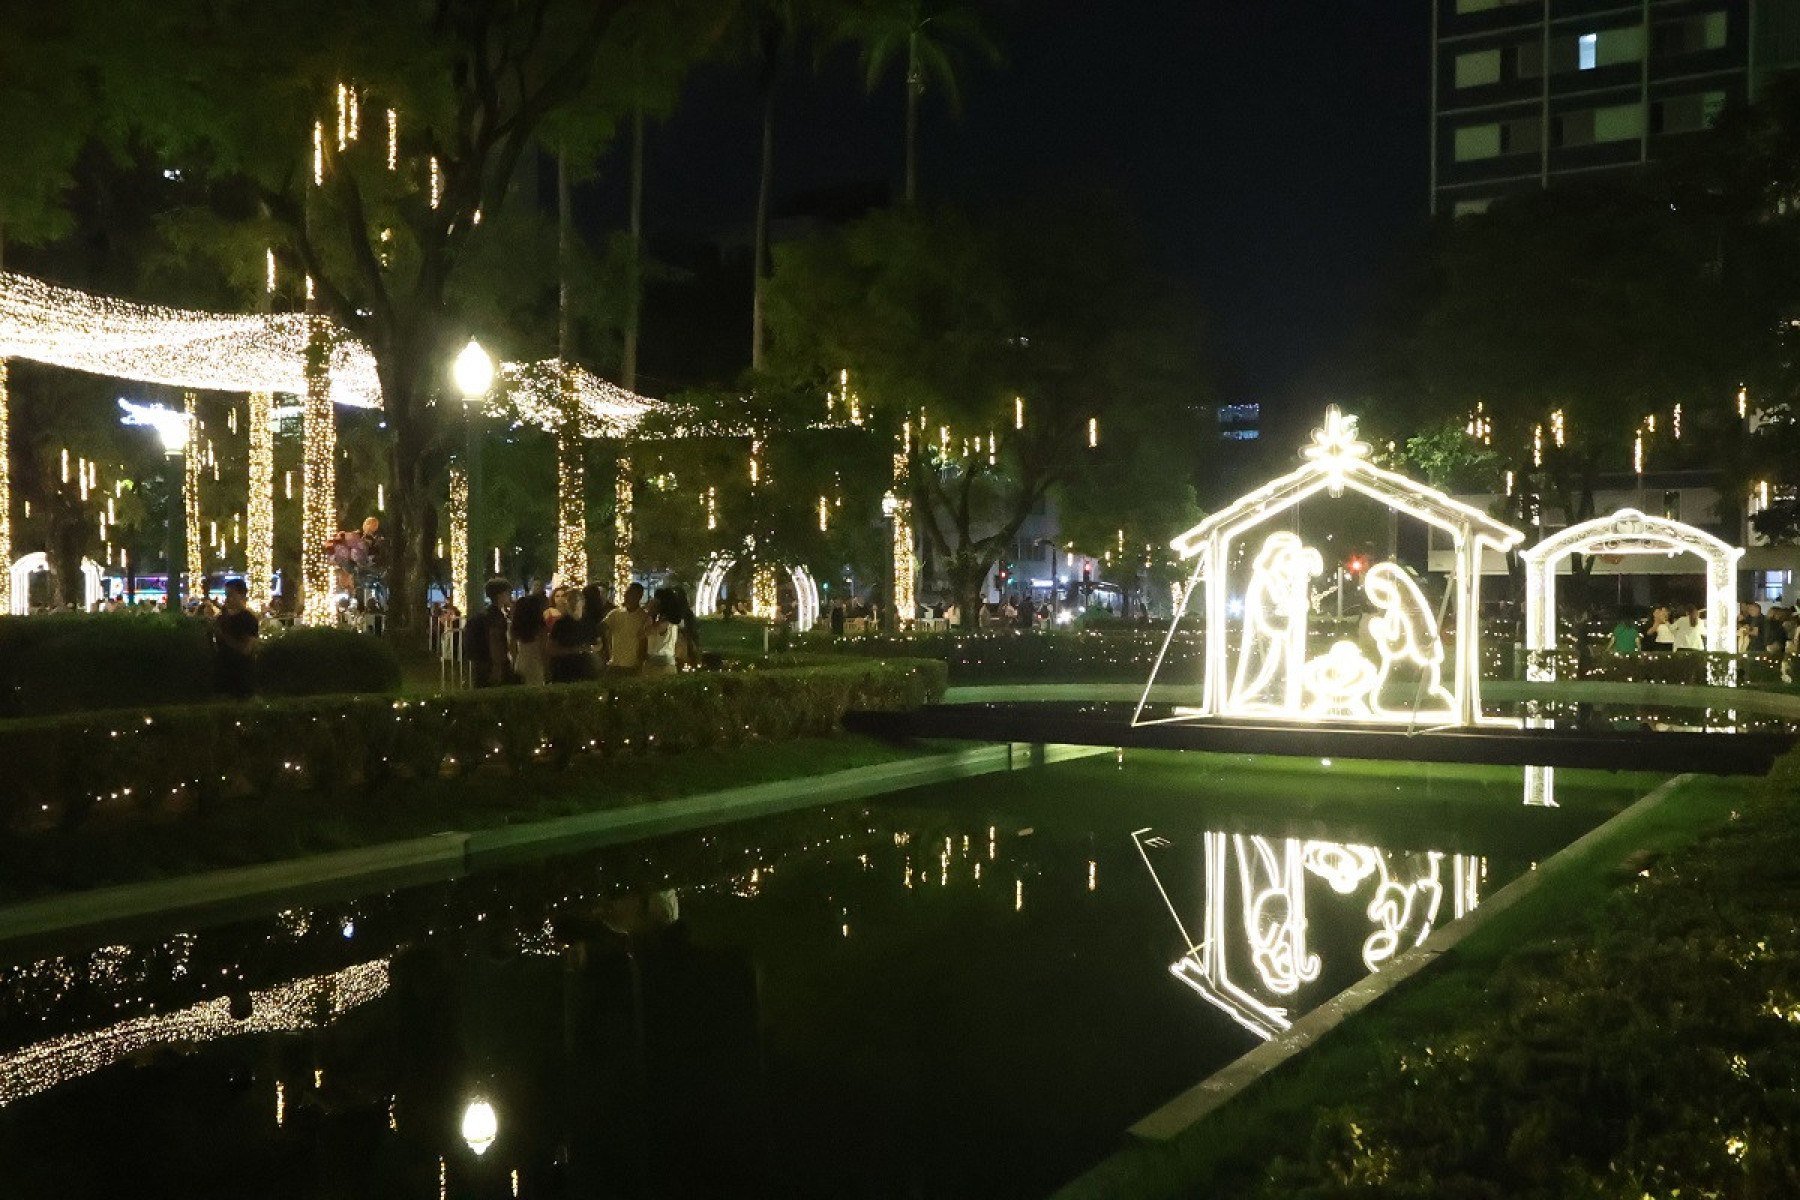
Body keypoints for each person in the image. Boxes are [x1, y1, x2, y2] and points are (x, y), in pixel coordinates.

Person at [213, 579, 260, 698]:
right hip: (222, 676)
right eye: (226, 595)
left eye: (231, 595)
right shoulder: (222, 619)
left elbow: (246, 649)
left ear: (242, 595)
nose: (227, 599)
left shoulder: (249, 620)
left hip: (242, 678)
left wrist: (223, 637)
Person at [465, 578, 514, 687]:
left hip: (482, 664)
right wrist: (498, 667)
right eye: (508, 593)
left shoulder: (485, 615)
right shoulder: (495, 617)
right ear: (500, 595)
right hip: (492, 666)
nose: (509, 596)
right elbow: (495, 641)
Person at [644, 586, 701, 675]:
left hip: (659, 668)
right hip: (667, 666)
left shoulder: (664, 624)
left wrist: (650, 612)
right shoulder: (672, 622)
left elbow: (642, 633)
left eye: (655, 601)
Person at [604, 581, 650, 674]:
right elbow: (602, 629)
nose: (626, 595)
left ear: (639, 596)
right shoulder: (615, 614)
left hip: (632, 666)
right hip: (614, 664)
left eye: (630, 593)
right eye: (626, 592)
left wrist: (639, 664)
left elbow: (645, 643)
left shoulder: (643, 617)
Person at [511, 591, 551, 685]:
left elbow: (512, 648)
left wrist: (514, 662)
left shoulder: (516, 627)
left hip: (520, 662)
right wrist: (547, 668)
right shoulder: (540, 628)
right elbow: (543, 649)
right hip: (536, 664)